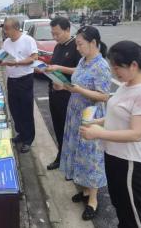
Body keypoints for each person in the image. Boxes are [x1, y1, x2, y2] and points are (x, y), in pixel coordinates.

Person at [80, 41, 141, 228]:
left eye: (117, 68)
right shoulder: (127, 84)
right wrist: (96, 123)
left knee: (133, 213)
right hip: (114, 155)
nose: (114, 72)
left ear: (133, 65)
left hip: (129, 161)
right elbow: (117, 116)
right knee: (120, 205)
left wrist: (100, 133)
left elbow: (136, 133)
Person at [57, 26, 111, 220]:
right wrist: (64, 84)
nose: (77, 48)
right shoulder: (83, 60)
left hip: (91, 117)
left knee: (90, 157)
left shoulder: (102, 66)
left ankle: (93, 200)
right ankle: (86, 191)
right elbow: (76, 81)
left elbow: (103, 96)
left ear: (93, 43)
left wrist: (78, 90)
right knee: (77, 153)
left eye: (80, 44)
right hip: (75, 113)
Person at [44, 17, 81, 170]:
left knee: (70, 130)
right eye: (52, 34)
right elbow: (54, 66)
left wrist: (59, 68)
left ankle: (72, 161)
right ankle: (61, 157)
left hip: (68, 95)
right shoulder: (58, 46)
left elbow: (81, 70)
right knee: (58, 127)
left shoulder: (76, 47)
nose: (55, 37)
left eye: (57, 34)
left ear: (67, 30)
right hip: (54, 93)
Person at [0, 17, 38, 153]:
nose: (5, 31)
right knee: (15, 109)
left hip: (25, 79)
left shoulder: (28, 40)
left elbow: (34, 58)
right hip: (12, 80)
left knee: (26, 110)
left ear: (16, 28)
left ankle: (28, 139)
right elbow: (2, 57)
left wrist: (16, 63)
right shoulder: (7, 42)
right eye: (4, 29)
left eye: (7, 29)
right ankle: (21, 134)